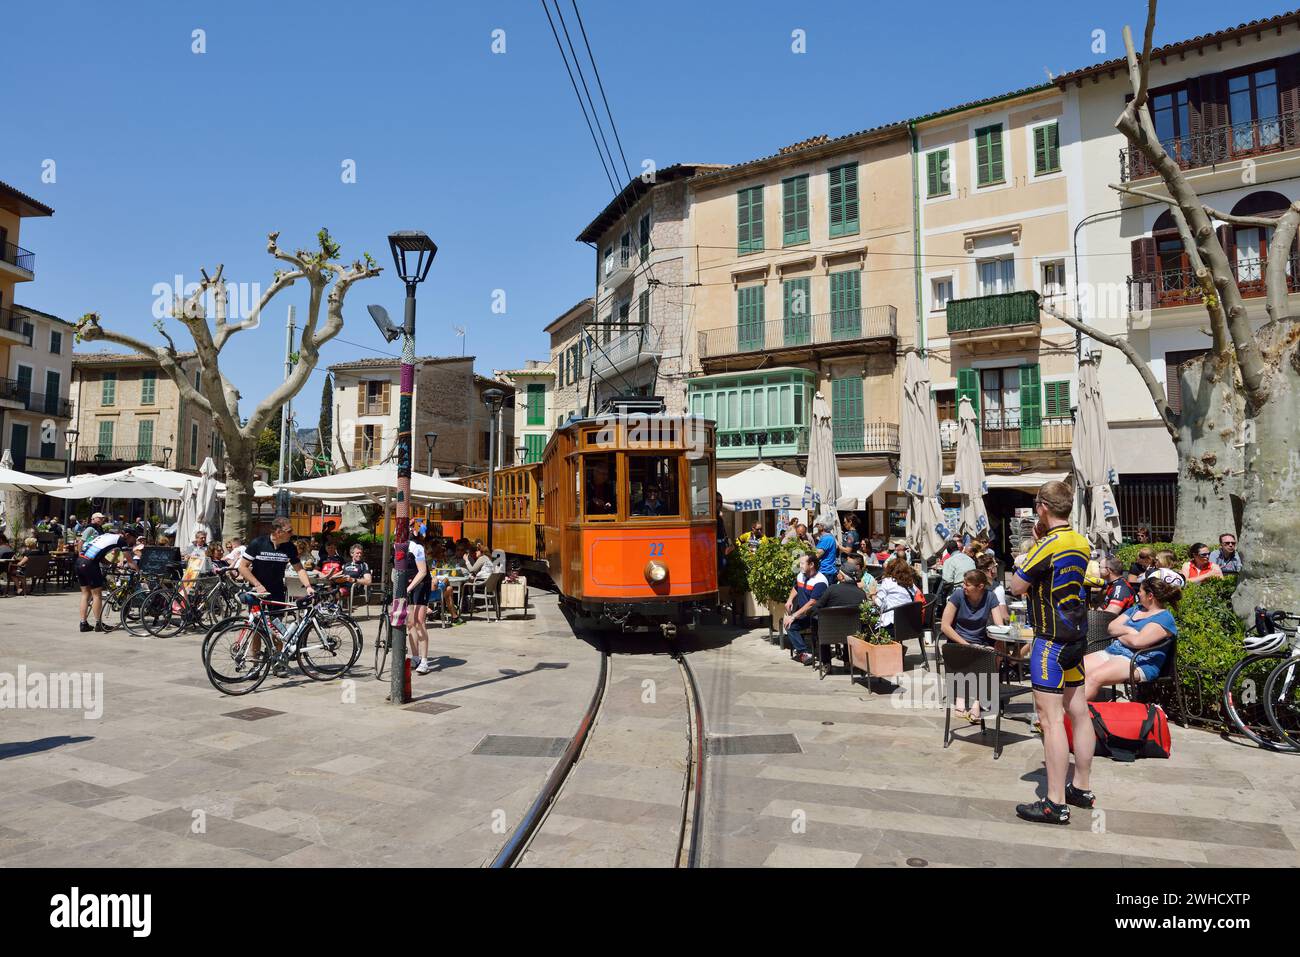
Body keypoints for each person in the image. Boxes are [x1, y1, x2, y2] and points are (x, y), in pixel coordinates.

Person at [1007, 480, 1094, 826]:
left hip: (1050, 639)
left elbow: (1017, 585)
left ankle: (1055, 803)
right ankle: (1082, 787)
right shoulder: (1080, 541)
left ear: (1043, 507)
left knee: (1050, 720)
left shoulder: (1049, 544)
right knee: (1080, 712)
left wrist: (1025, 557)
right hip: (1076, 636)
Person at [1084, 569, 1183, 701]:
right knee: (1075, 670)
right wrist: (1130, 632)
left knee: (1094, 677)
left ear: (1150, 596)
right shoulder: (1137, 608)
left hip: (1137, 662)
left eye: (1140, 591)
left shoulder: (1164, 618)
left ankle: (1075, 715)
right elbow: (1111, 627)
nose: (1138, 593)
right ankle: (1062, 707)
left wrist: (1122, 633)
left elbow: (1138, 643)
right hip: (1112, 652)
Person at [237, 518, 315, 677]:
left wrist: (308, 586)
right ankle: (256, 664)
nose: (292, 534)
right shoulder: (258, 543)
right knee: (257, 629)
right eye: (289, 531)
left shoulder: (288, 547)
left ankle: (278, 663)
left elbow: (299, 568)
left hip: (277, 592)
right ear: (278, 532)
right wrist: (257, 584)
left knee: (277, 627)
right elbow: (242, 567)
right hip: (259, 593)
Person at [940, 569, 1008, 719]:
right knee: (975, 653)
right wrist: (967, 644)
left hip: (980, 641)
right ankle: (962, 697)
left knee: (992, 653)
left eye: (967, 584)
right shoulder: (958, 595)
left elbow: (999, 626)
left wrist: (1000, 640)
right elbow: (944, 626)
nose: (964, 586)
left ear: (980, 586)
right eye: (964, 583)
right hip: (957, 642)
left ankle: (977, 701)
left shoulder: (990, 597)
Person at [76, 527, 139, 632]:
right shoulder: (121, 540)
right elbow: (130, 561)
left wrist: (112, 563)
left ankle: (83, 623)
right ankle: (98, 624)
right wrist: (139, 571)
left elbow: (101, 557)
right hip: (90, 564)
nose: (132, 542)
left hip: (79, 561)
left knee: (85, 594)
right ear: (127, 535)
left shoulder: (104, 536)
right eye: (132, 539)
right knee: (96, 595)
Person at [782, 553, 828, 666]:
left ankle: (813, 654)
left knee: (791, 621)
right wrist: (789, 600)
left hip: (816, 616)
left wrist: (793, 616)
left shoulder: (820, 581)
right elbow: (796, 587)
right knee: (789, 625)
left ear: (811, 564)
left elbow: (812, 603)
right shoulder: (801, 575)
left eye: (802, 563)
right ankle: (804, 653)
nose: (800, 565)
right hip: (804, 613)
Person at [400, 533, 435, 674]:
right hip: (408, 583)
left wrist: (408, 588)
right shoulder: (397, 548)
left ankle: (425, 660)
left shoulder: (417, 548)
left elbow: (422, 571)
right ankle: (415, 657)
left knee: (419, 621)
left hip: (422, 584)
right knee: (410, 622)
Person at [874, 557, 921, 631]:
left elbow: (879, 603)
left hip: (892, 625)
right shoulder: (911, 584)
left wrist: (872, 595)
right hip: (909, 624)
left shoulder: (887, 582)